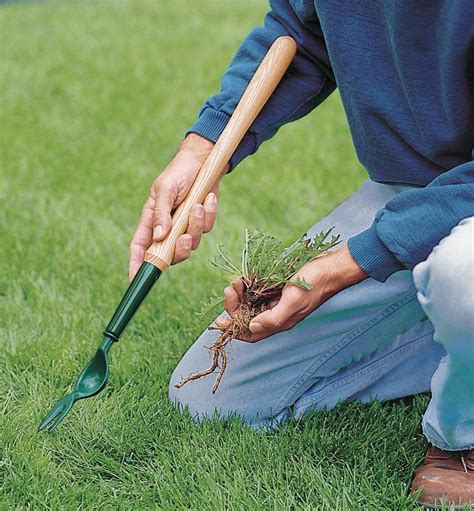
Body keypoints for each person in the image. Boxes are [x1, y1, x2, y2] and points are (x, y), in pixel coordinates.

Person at [129, 2, 474, 508]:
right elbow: (299, 34)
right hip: (408, 190)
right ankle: (454, 331)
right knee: (211, 399)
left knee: (460, 273)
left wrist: (346, 265)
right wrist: (203, 151)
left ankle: (459, 443)